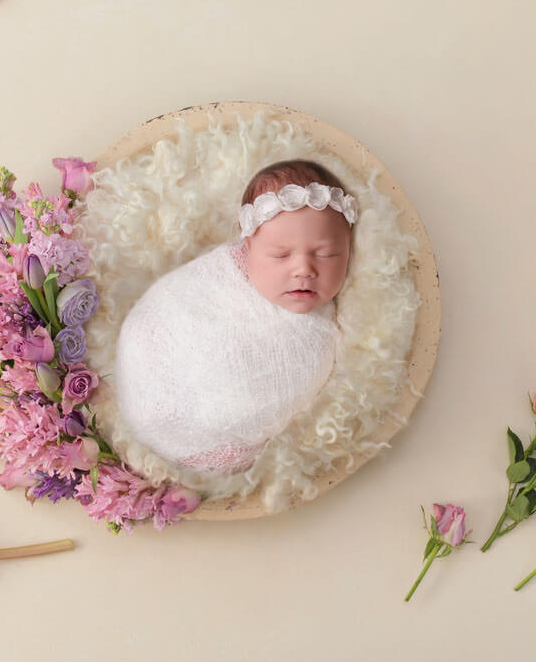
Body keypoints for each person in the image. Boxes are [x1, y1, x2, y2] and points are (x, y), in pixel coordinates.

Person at [114, 159, 358, 473]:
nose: (304, 270)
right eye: (281, 255)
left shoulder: (334, 331)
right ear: (248, 247)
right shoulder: (219, 279)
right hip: (151, 373)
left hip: (216, 428)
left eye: (326, 255)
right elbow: (170, 310)